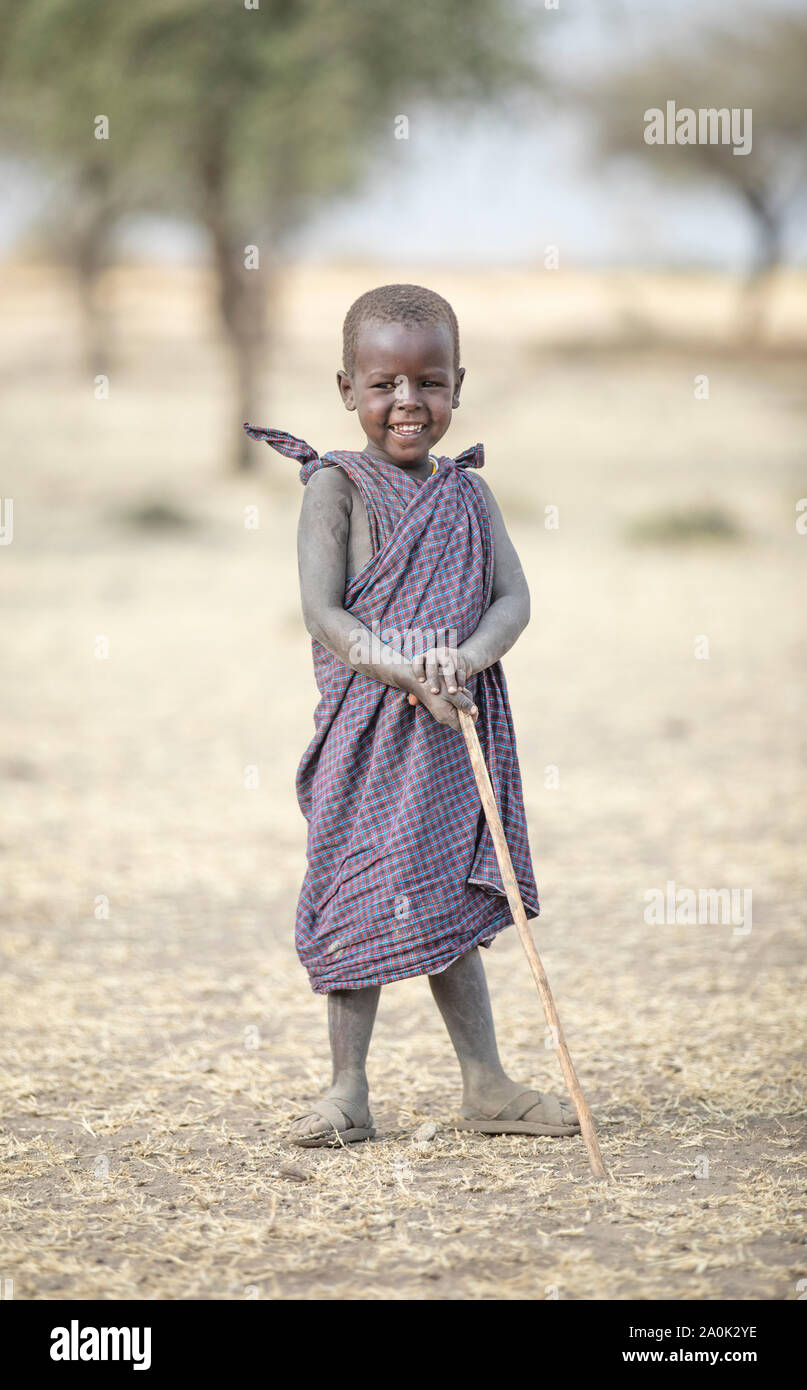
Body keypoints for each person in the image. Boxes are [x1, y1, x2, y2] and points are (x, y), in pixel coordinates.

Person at [244, 283, 580, 1147]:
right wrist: (407, 673)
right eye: (384, 384)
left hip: (451, 733)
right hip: (367, 736)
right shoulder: (335, 487)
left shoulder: (468, 495)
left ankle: (486, 1084)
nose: (406, 403)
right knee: (357, 894)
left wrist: (463, 660)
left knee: (440, 897)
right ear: (346, 389)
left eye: (427, 384)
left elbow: (513, 600)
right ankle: (347, 1089)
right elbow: (327, 617)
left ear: (456, 385)